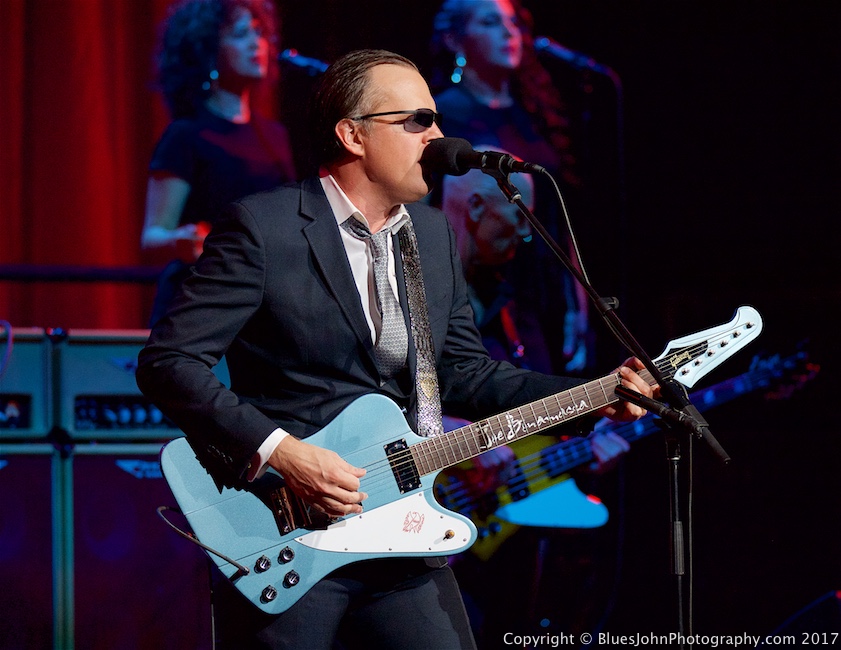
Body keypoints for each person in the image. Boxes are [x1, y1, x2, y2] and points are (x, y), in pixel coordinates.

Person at [136, 48, 654, 650]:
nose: (438, 136)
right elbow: (169, 363)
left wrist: (593, 397)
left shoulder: (431, 237)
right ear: (353, 135)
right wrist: (286, 454)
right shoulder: (265, 228)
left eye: (434, 121)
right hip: (289, 530)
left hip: (402, 531)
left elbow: (464, 373)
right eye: (417, 121)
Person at [440, 163, 631, 644]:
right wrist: (460, 438)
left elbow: (532, 420)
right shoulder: (412, 295)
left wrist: (589, 443)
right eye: (520, 215)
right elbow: (369, 396)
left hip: (508, 546)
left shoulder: (513, 304)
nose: (527, 233)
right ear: (478, 207)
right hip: (429, 524)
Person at [431, 0, 592, 375]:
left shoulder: (534, 113)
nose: (509, 33)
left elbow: (557, 215)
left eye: (513, 22)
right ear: (456, 39)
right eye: (490, 22)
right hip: (485, 287)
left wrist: (578, 299)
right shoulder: (445, 113)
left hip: (542, 279)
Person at [141, 0, 296, 326]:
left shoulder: (275, 136)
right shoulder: (186, 136)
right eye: (241, 34)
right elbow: (152, 236)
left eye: (259, 33)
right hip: (197, 307)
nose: (257, 44)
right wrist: (180, 240)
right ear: (208, 50)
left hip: (259, 307)